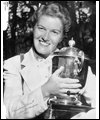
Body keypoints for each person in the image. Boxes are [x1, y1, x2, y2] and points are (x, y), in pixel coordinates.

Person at [3, 2, 96, 119]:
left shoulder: (73, 61)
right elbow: (10, 112)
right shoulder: (14, 64)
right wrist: (45, 91)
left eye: (54, 32)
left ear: (62, 37)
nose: (45, 37)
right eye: (41, 28)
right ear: (33, 28)